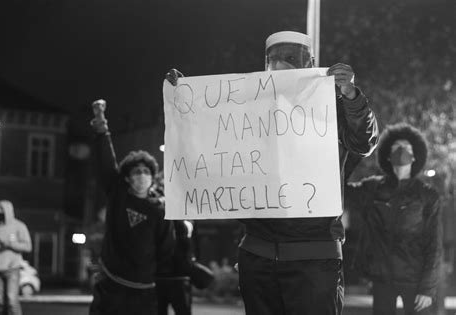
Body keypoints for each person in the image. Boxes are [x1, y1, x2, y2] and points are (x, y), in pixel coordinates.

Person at [166, 31, 379, 315]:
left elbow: (364, 140)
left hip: (314, 258)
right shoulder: (247, 109)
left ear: (308, 63)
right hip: (259, 257)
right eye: (274, 60)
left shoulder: (331, 109)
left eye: (291, 59)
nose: (280, 66)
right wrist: (185, 100)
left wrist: (352, 96)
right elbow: (209, 142)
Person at [88, 99, 175, 315]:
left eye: (146, 172)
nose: (142, 176)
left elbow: (166, 249)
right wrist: (101, 125)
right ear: (127, 178)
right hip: (111, 285)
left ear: (153, 178)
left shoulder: (159, 211)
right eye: (137, 172)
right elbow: (106, 162)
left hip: (144, 290)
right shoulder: (118, 196)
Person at [345, 123, 442, 315]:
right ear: (387, 155)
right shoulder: (373, 188)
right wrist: (355, 152)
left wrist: (427, 289)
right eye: (396, 147)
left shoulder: (427, 195)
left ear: (415, 156)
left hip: (414, 279)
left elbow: (434, 244)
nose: (401, 151)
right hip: (382, 279)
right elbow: (342, 189)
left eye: (406, 148)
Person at [154, 171, 195, 315]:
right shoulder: (156, 210)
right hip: (159, 275)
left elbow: (188, 243)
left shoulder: (182, 212)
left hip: (179, 276)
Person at [0, 200, 32, 315]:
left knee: (11, 300)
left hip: (12, 268)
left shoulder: (19, 226)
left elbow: (28, 246)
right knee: (1, 301)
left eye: (1, 211)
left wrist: (10, 244)